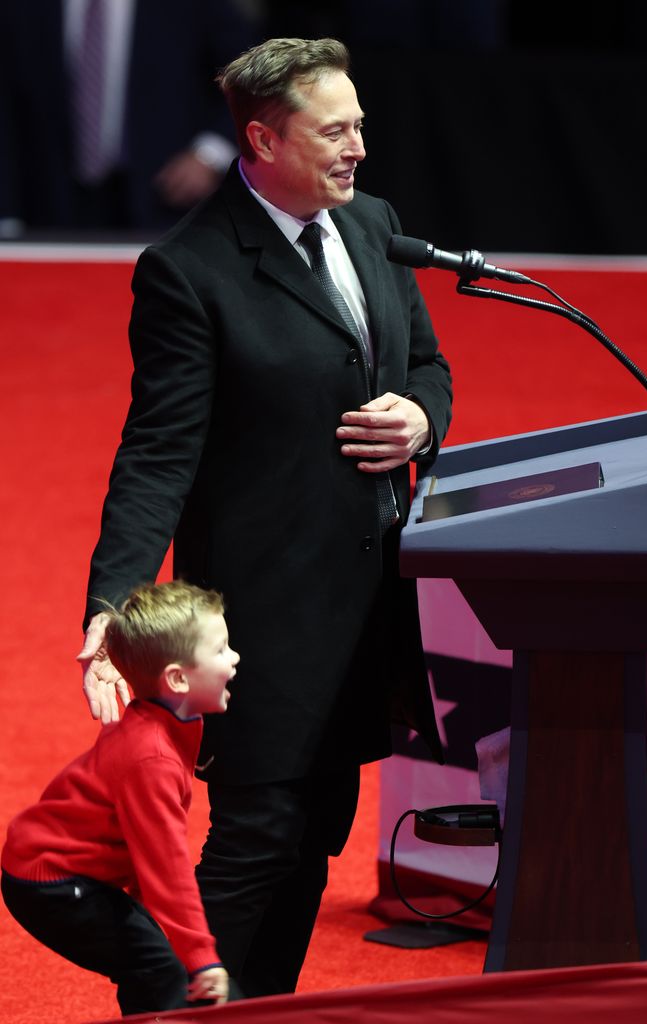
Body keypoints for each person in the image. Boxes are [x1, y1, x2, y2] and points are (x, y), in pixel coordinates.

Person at [78, 37, 453, 998]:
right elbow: (158, 451)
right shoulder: (189, 270)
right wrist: (114, 606)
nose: (360, 146)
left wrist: (419, 417)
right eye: (336, 130)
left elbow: (425, 367)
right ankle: (167, 1007)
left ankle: (258, 1012)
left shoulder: (371, 225)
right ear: (262, 139)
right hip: (267, 615)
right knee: (259, 840)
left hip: (366, 598)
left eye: (360, 124)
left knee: (315, 830)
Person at [2, 581, 239, 1015]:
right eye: (222, 649)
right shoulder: (152, 757)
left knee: (155, 962)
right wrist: (202, 956)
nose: (235, 657)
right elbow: (165, 866)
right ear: (178, 678)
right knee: (163, 968)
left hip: (66, 869)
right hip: (50, 883)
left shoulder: (169, 719)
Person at [0, 0, 258, 236]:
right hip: (47, 206)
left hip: (164, 200)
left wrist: (210, 154)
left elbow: (252, 77)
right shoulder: (20, 7)